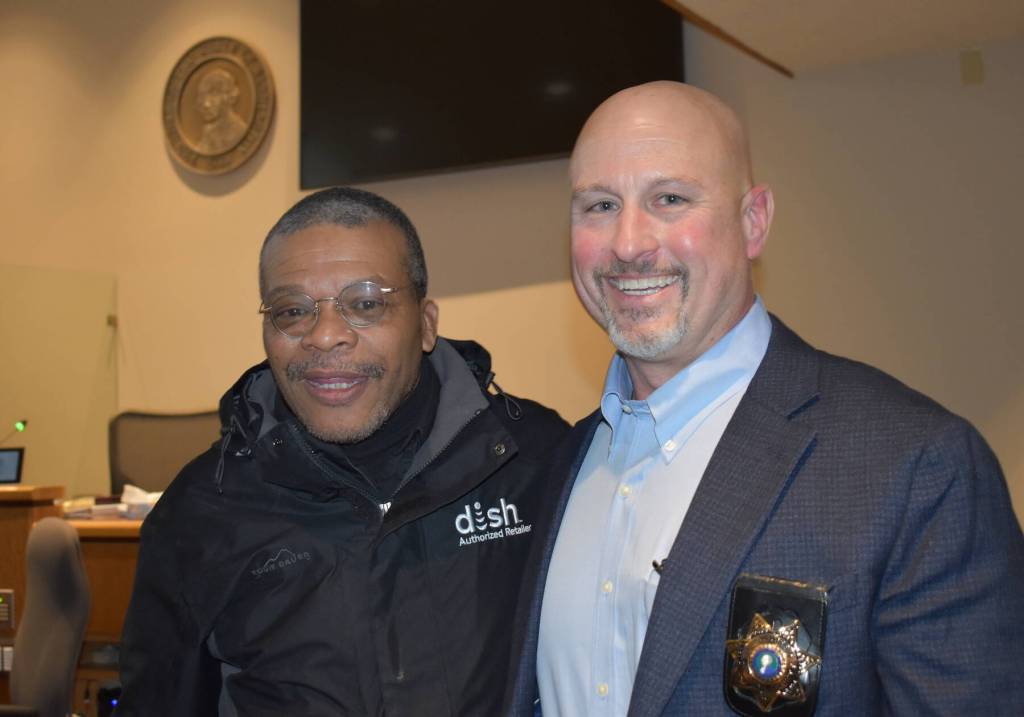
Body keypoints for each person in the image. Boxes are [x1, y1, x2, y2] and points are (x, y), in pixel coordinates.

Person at [507, 81, 1024, 716]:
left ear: (753, 222)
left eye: (669, 199)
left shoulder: (915, 466)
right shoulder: (555, 466)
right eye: (600, 206)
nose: (629, 242)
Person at [117, 187, 568, 715]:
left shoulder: (535, 460)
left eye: (366, 304)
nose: (325, 336)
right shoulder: (200, 513)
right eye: (292, 310)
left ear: (425, 325)